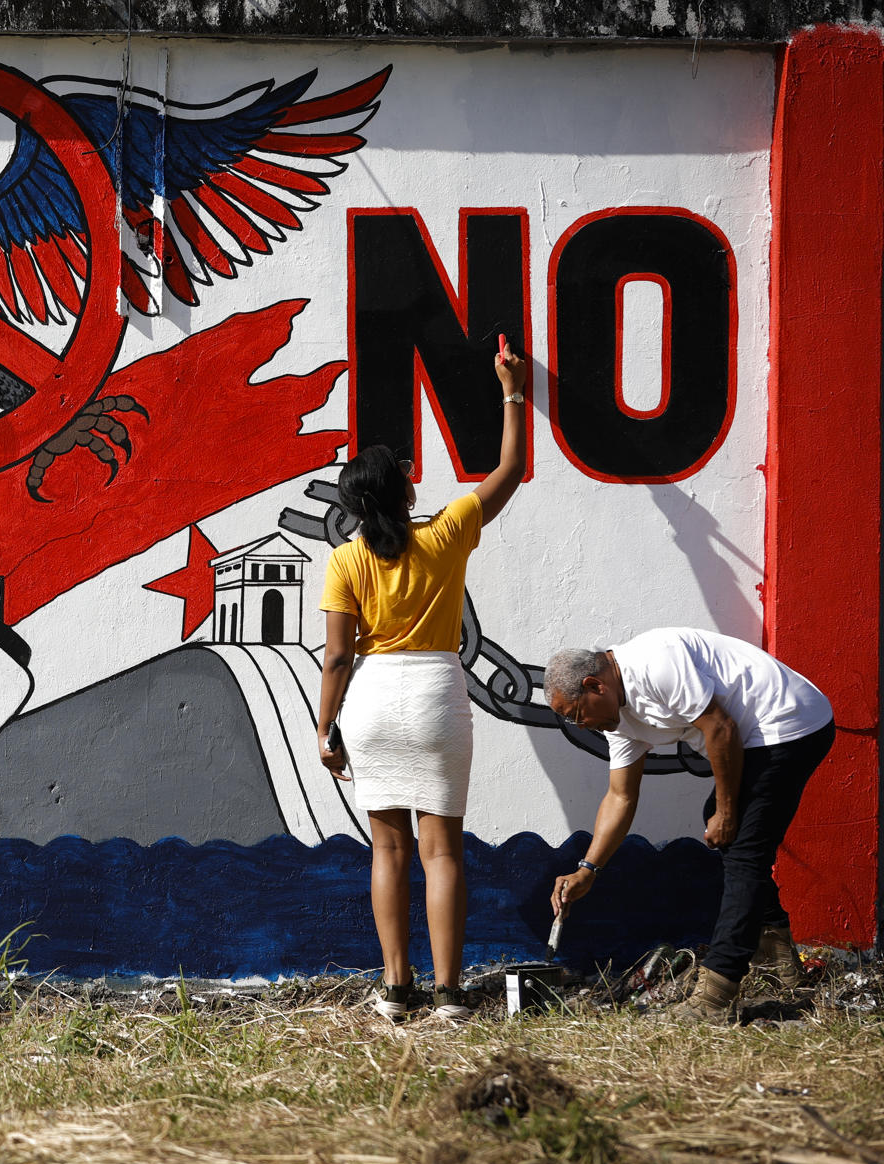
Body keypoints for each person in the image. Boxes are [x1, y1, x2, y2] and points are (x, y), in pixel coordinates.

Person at [316, 347, 527, 1020]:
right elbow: (511, 470)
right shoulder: (445, 534)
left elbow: (337, 660)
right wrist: (512, 393)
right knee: (442, 853)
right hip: (436, 695)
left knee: (388, 848)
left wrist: (327, 731)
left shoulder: (344, 560)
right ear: (404, 491)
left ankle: (395, 990)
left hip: (373, 703)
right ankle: (450, 995)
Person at [544, 630, 835, 1023]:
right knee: (721, 823)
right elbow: (620, 797)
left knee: (744, 848)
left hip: (790, 722)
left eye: (578, 715)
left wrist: (728, 812)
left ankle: (717, 993)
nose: (582, 726)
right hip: (753, 737)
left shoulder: (655, 664)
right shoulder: (618, 719)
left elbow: (720, 728)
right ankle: (776, 950)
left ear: (595, 685)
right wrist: (587, 869)